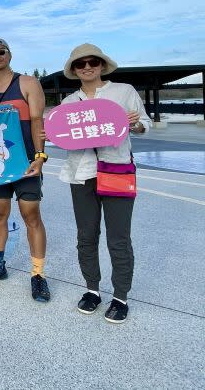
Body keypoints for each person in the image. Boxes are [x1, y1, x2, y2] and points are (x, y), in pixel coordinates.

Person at [59, 44, 150, 323]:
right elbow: (64, 135)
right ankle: (92, 290)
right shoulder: (68, 103)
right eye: (80, 63)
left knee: (118, 238)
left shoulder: (123, 91)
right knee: (86, 236)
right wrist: (50, 132)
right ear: (74, 70)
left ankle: (120, 296)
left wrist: (134, 125)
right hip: (81, 173)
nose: (87, 67)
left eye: (93, 62)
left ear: (101, 65)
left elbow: (145, 124)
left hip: (117, 169)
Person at [0, 38, 51, 302]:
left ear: (9, 54)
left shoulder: (28, 83)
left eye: (1, 51)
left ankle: (38, 275)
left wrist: (39, 158)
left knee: (31, 214)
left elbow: (38, 122)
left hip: (25, 161)